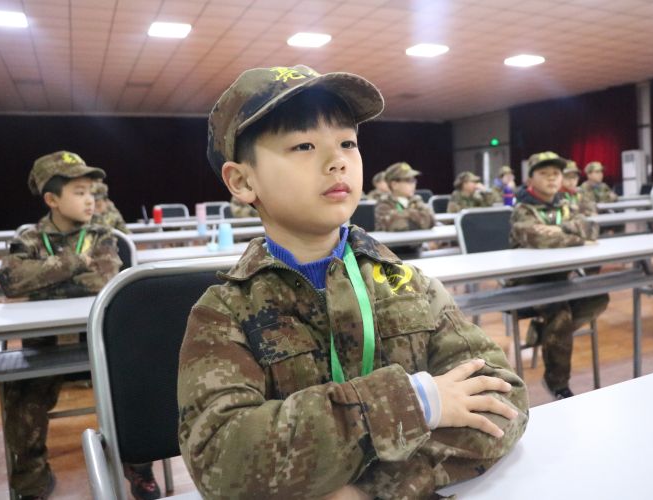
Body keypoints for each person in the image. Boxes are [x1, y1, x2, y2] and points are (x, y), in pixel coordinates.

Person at [177, 64, 528, 499]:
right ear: (243, 180)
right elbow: (222, 462)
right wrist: (417, 401)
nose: (337, 161)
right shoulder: (224, 314)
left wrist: (367, 491)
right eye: (303, 145)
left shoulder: (405, 284)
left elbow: (503, 400)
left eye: (347, 143)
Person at [0, 152, 124, 499]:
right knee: (20, 397)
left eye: (91, 192)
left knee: (134, 381)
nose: (90, 200)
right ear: (52, 200)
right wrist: (77, 262)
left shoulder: (101, 235)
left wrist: (36, 289)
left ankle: (137, 466)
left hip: (97, 346)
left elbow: (104, 279)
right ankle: (32, 480)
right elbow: (10, 279)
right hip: (44, 347)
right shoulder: (30, 238)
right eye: (79, 192)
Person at [509, 151, 609, 400]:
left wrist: (559, 228)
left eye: (556, 173)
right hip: (529, 281)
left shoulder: (565, 205)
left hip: (560, 278)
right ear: (530, 179)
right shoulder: (522, 209)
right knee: (561, 315)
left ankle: (545, 333)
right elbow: (539, 239)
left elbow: (593, 228)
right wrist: (578, 239)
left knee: (599, 298)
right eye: (544, 173)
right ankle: (557, 383)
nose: (552, 178)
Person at [374, 162, 435, 231]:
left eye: (414, 180)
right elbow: (396, 226)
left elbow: (431, 221)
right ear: (394, 185)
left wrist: (406, 213)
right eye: (409, 180)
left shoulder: (416, 200)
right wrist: (419, 218)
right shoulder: (384, 203)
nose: (413, 184)